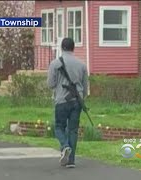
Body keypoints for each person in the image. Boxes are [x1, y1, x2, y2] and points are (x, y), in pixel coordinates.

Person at [47, 37, 88, 168]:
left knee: (58, 127)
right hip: (77, 101)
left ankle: (65, 146)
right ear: (73, 48)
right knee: (73, 130)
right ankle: (71, 160)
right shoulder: (82, 65)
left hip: (61, 100)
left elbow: (50, 84)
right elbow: (85, 87)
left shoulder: (55, 64)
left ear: (62, 48)